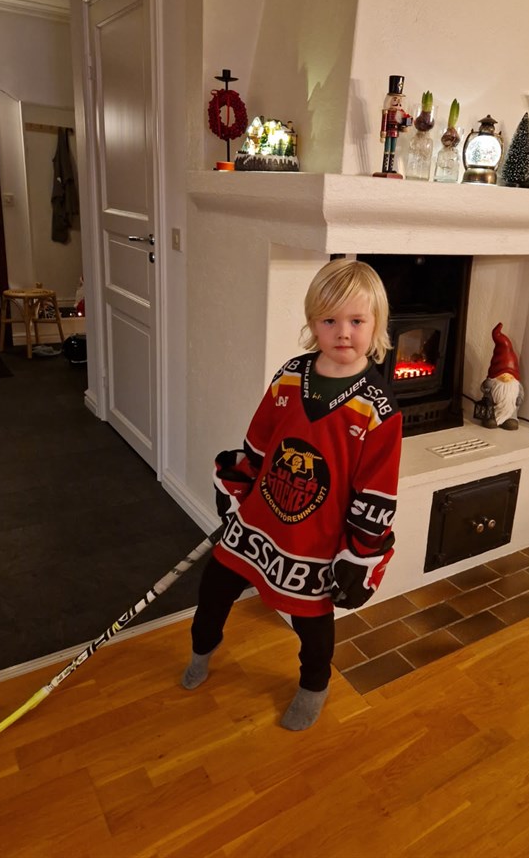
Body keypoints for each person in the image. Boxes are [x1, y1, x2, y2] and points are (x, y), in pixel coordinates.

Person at [182, 259, 403, 730]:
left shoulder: (378, 407)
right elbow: (260, 440)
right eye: (329, 320)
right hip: (260, 519)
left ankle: (314, 684)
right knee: (215, 584)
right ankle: (202, 649)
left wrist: (359, 552)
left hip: (315, 540)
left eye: (356, 321)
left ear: (376, 326)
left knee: (311, 620)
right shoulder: (290, 375)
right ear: (312, 323)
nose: (343, 333)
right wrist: (238, 487)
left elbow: (377, 487)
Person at [480, 322, 524, 430]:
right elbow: (484, 388)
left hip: (510, 411)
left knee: (512, 424)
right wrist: (487, 384)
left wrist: (519, 399)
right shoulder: (492, 383)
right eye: (502, 375)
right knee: (490, 422)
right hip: (492, 411)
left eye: (510, 376)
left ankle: (509, 419)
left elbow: (520, 395)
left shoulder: (516, 386)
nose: (506, 378)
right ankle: (491, 418)